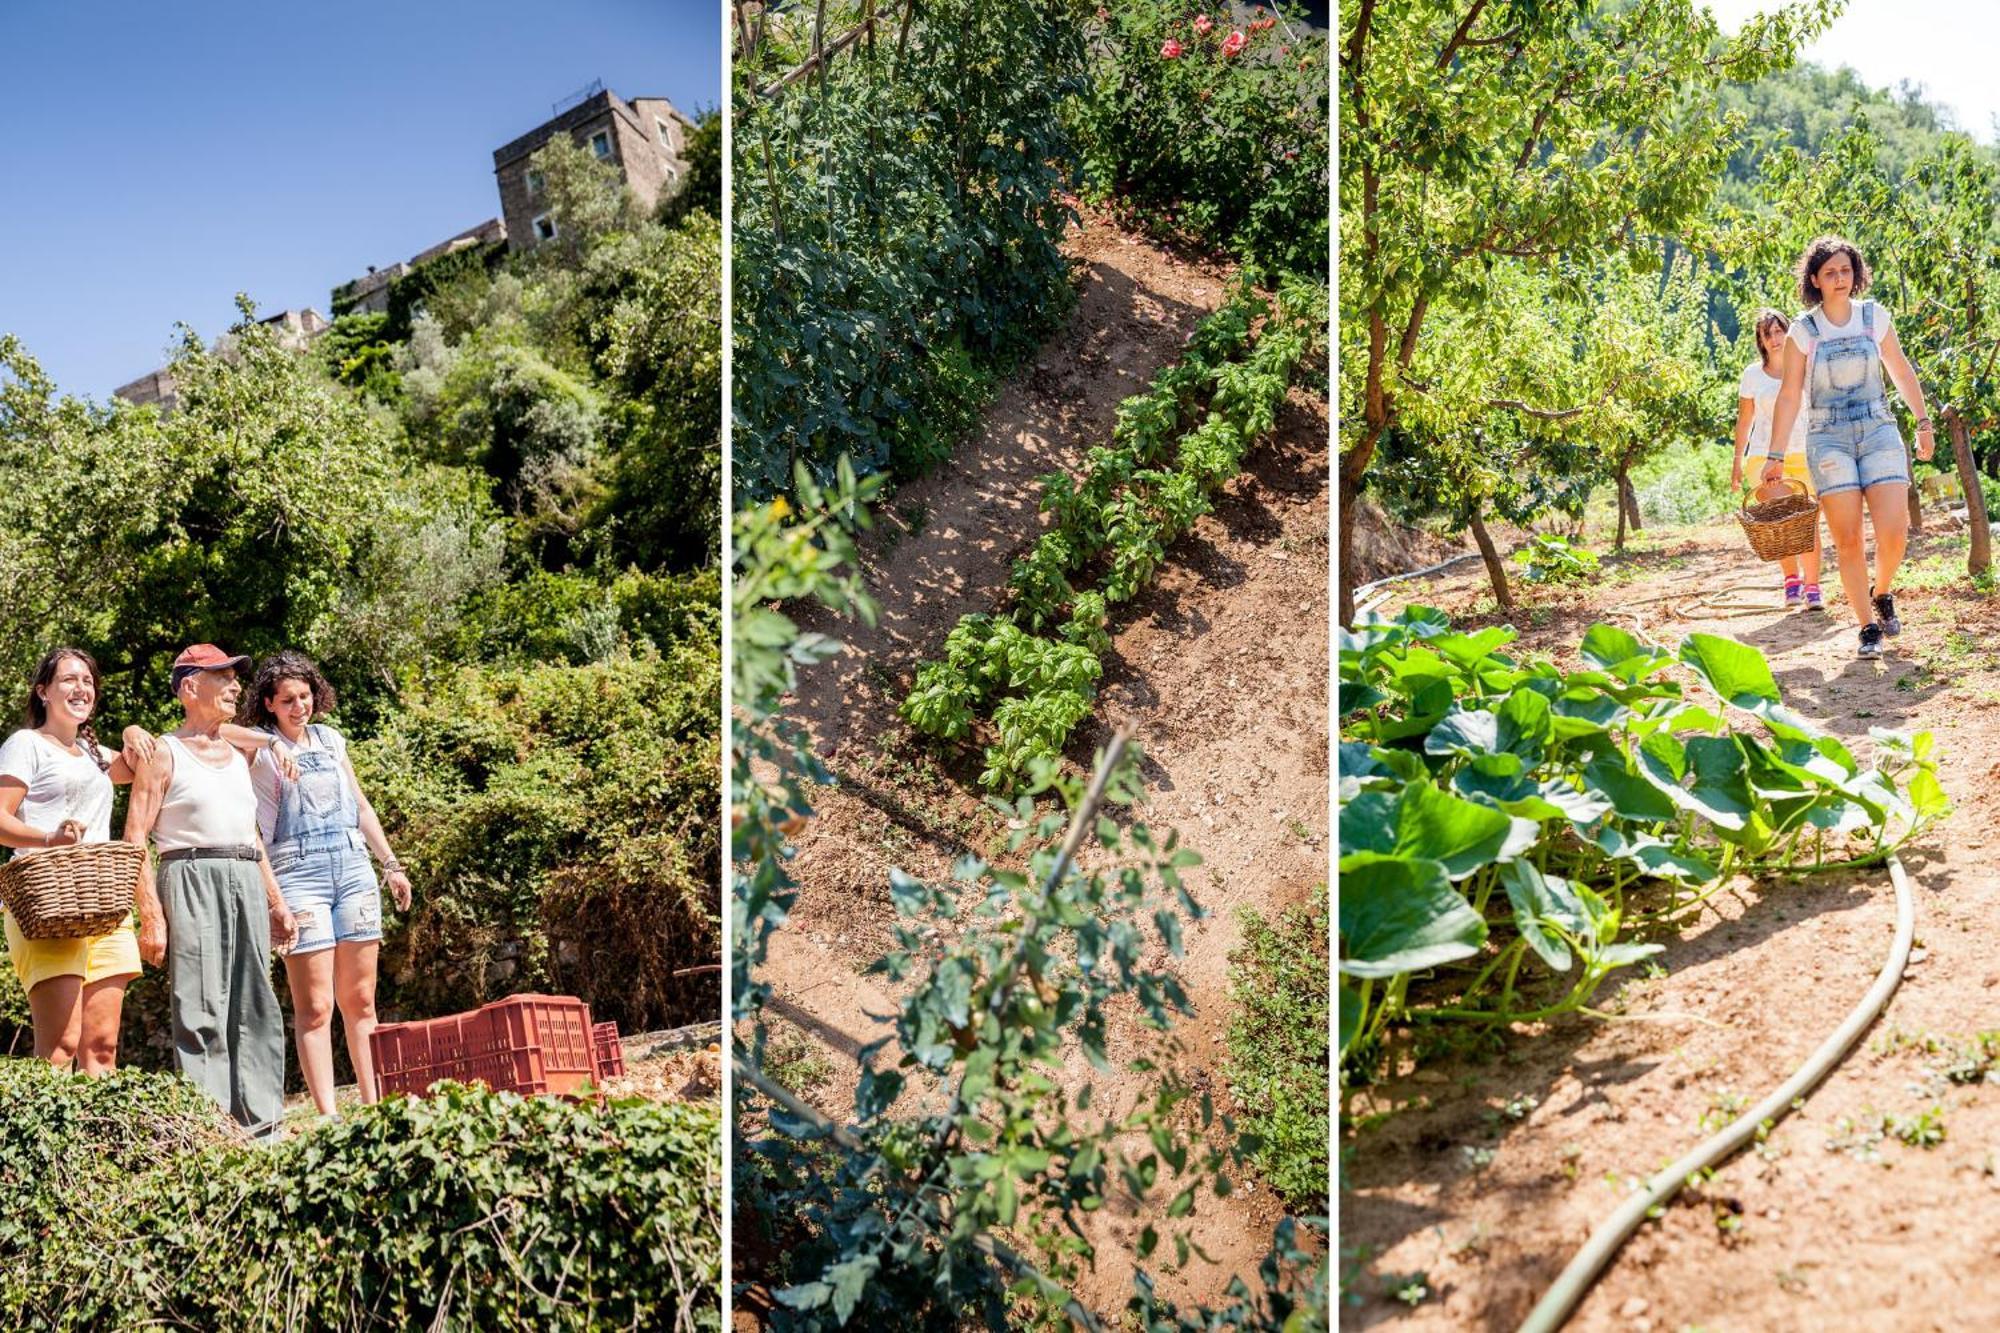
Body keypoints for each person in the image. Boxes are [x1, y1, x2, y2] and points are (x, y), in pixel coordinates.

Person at [124, 644, 298, 1136]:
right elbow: (136, 836)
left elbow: (252, 835)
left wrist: (276, 900)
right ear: (189, 688)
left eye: (234, 678)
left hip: (244, 872)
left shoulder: (239, 754)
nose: (236, 687)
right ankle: (212, 1130)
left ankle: (264, 1128)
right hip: (189, 874)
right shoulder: (163, 753)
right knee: (200, 1005)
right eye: (222, 678)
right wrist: (150, 915)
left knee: (255, 1002)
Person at [234, 651, 411, 1115]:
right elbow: (216, 733)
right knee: (315, 1006)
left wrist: (391, 864)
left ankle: (375, 1108)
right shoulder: (257, 749)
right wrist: (269, 745)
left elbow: (361, 807)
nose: (299, 706)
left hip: (353, 869)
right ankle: (329, 1116)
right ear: (268, 703)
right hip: (296, 874)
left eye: (306, 696)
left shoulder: (331, 740)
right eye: (288, 699)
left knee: (361, 1001)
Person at [1765, 235, 1937, 660]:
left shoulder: (1873, 317)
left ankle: (1882, 591)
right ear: (1815, 280)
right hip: (1828, 437)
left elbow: (1899, 368)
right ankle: (1866, 627)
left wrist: (1923, 422)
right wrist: (1774, 454)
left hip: (1878, 428)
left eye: (1846, 270)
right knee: (1848, 538)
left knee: (1895, 533)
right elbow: (1789, 395)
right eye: (1830, 273)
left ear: (1855, 273)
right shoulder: (1803, 331)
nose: (1840, 278)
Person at [0, 649, 159, 1072]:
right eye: (69, 680)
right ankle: (43, 1136)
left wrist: (132, 729)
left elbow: (143, 762)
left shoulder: (93, 753)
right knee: (60, 1047)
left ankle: (98, 1140)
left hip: (102, 905)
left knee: (102, 1048)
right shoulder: (26, 745)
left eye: (87, 681)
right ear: (43, 692)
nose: (81, 688)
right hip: (46, 905)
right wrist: (47, 838)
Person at [1732, 308, 1824, 610]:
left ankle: (1813, 588)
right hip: (1763, 456)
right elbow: (1744, 421)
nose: (1775, 338)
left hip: (1803, 452)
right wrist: (1736, 461)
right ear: (1761, 340)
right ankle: (1791, 581)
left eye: (1779, 330)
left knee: (1808, 523)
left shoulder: (1807, 368)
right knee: (1783, 522)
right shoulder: (1752, 375)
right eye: (1767, 333)